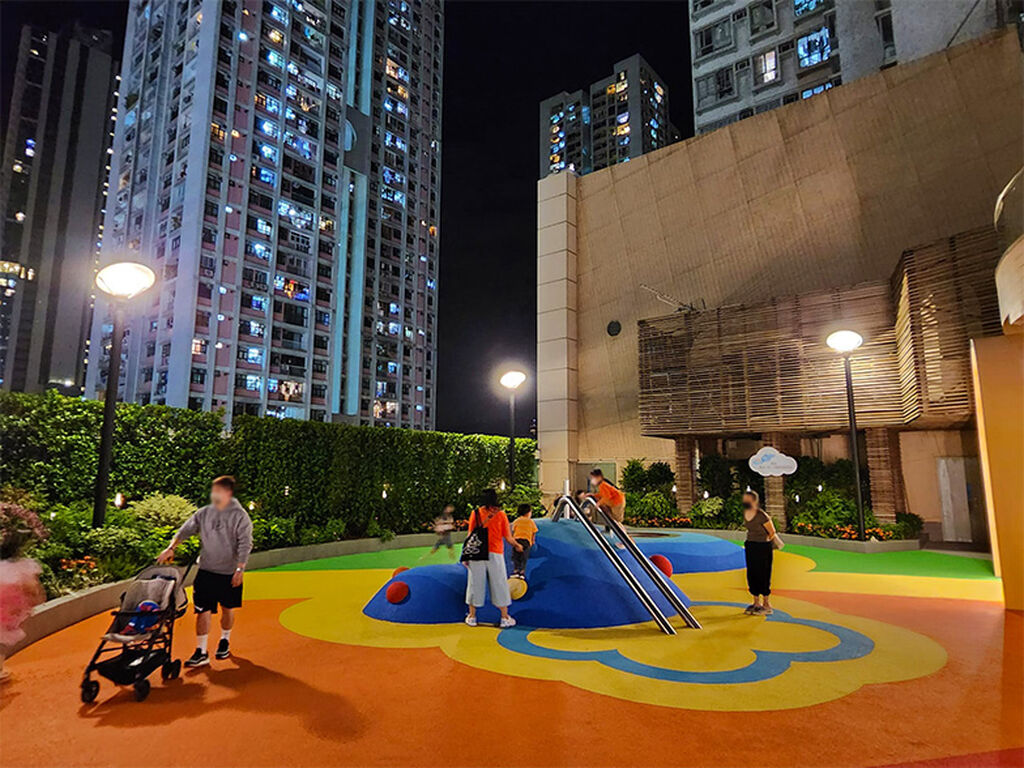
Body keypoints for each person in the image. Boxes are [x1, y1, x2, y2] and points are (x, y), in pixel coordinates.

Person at [157, 475, 253, 667]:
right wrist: (171, 547)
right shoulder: (204, 513)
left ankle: (224, 639)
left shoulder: (240, 516)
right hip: (206, 570)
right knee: (202, 610)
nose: (214, 494)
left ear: (228, 493)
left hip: (228, 572)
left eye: (218, 491)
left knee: (227, 608)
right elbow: (185, 530)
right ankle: (201, 651)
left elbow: (245, 543)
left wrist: (240, 569)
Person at [464, 489, 522, 628]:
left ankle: (472, 617)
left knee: (474, 583)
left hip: (477, 553)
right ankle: (504, 617)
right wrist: (517, 545)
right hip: (495, 553)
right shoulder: (501, 515)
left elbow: (470, 534)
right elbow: (508, 537)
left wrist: (466, 553)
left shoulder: (476, 513)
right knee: (499, 583)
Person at [741, 490, 778, 615]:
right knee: (752, 573)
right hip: (751, 545)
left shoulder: (762, 515)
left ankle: (766, 603)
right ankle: (756, 602)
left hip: (763, 546)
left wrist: (765, 541)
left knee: (764, 572)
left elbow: (772, 531)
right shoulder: (746, 513)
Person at [510, 504, 538, 578]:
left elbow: (513, 530)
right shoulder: (531, 522)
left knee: (516, 557)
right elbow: (534, 532)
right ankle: (522, 572)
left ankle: (516, 571)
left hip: (517, 540)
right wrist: (532, 541)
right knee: (524, 557)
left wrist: (513, 540)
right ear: (528, 513)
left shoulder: (516, 521)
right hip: (526, 541)